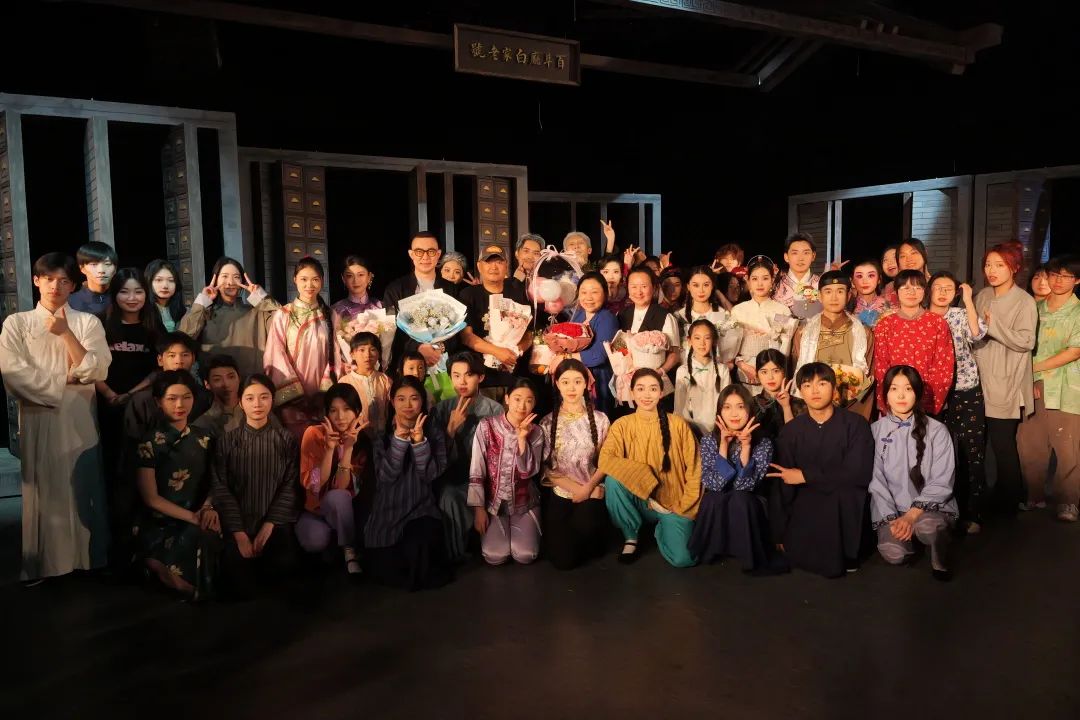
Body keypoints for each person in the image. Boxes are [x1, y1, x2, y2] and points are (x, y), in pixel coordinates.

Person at [0, 252, 112, 583]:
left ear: (73, 285)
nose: (55, 287)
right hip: (39, 416)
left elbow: (97, 369)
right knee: (46, 488)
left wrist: (65, 334)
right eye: (49, 279)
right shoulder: (17, 323)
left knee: (82, 483)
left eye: (64, 281)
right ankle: (44, 564)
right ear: (37, 280)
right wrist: (66, 378)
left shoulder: (87, 322)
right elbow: (13, 373)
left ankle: (87, 560)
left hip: (79, 416)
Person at [768, 362, 874, 578]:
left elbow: (858, 472)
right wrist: (779, 532)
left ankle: (847, 554)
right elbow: (783, 480)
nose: (814, 391)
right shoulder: (791, 431)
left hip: (842, 497)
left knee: (845, 495)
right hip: (806, 500)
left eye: (822, 384)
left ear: (834, 389)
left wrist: (806, 476)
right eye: (807, 385)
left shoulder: (856, 425)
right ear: (800, 391)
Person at [210, 374, 301, 599]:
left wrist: (268, 526)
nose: (257, 404)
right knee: (237, 585)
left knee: (283, 572)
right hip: (237, 523)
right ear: (241, 402)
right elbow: (220, 487)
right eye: (250, 398)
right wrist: (239, 534)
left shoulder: (286, 440)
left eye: (264, 397)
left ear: (273, 399)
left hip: (274, 523)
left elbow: (290, 486)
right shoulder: (227, 441)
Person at [599, 368, 701, 567]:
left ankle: (661, 529)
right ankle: (631, 535)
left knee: (684, 559)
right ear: (632, 392)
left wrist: (684, 505)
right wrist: (644, 477)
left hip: (673, 504)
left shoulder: (678, 424)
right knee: (613, 481)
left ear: (661, 393)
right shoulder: (622, 425)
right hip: (641, 501)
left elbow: (695, 468)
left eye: (653, 389)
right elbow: (605, 459)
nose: (646, 395)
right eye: (640, 389)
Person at [133, 370, 220, 598]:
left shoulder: (206, 437)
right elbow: (151, 498)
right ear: (158, 402)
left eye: (186, 397)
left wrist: (208, 507)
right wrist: (192, 517)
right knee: (192, 535)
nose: (180, 405)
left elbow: (217, 480)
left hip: (200, 511)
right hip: (162, 519)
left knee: (211, 534)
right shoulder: (149, 442)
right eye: (172, 398)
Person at [364, 376, 452, 590]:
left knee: (421, 545)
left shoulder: (434, 433)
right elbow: (386, 477)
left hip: (420, 507)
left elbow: (429, 474)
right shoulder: (381, 437)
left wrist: (419, 442)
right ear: (392, 401)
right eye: (401, 399)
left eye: (414, 398)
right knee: (388, 561)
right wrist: (399, 441)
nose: (408, 405)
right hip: (388, 510)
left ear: (422, 401)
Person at [870, 365, 957, 581]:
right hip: (892, 510)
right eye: (894, 389)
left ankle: (939, 555)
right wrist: (893, 519)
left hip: (929, 508)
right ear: (885, 394)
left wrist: (911, 516)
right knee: (893, 553)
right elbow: (875, 480)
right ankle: (909, 541)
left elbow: (942, 480)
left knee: (928, 527)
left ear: (917, 393)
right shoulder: (875, 431)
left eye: (908, 389)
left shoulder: (937, 430)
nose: (901, 395)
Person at [689, 384, 783, 574]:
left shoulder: (763, 443)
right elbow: (714, 485)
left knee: (740, 498)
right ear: (719, 412)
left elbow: (744, 486)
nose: (734, 413)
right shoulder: (709, 441)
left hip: (749, 501)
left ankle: (746, 553)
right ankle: (714, 549)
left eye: (740, 407)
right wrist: (723, 446)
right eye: (727, 407)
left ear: (750, 411)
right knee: (713, 498)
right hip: (719, 499)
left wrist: (746, 448)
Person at [972, 241, 1038, 514]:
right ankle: (992, 493)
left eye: (1000, 265)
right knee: (982, 443)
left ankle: (1010, 500)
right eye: (988, 264)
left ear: (1014, 268)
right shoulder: (983, 295)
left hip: (1006, 380)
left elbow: (1026, 341)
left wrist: (993, 326)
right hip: (980, 376)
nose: (992, 270)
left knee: (1002, 444)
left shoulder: (1024, 301)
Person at [1018, 255, 1080, 522]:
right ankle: (1034, 495)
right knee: (1029, 443)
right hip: (1033, 385)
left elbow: (1074, 350)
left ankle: (1068, 501)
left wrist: (1035, 368)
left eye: (1066, 276)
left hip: (1066, 387)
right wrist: (1029, 377)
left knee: (1067, 447)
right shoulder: (1035, 308)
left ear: (1077, 281)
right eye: (1054, 274)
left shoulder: (1077, 312)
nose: (1058, 281)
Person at [927, 271, 988, 532]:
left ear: (956, 293)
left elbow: (977, 334)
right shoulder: (923, 317)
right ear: (929, 290)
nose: (942, 293)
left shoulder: (960, 315)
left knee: (970, 451)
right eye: (937, 287)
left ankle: (971, 513)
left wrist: (969, 301)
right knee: (935, 454)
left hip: (964, 389)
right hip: (930, 392)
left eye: (949, 289)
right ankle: (936, 513)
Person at [430, 353, 504, 561]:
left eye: (468, 375)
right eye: (456, 375)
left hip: (486, 479)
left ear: (480, 377)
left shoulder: (494, 410)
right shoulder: (441, 410)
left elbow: (499, 457)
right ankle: (456, 554)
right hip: (454, 477)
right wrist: (450, 430)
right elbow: (434, 458)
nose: (462, 382)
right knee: (448, 494)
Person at [540, 359, 612, 570]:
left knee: (586, 526)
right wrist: (577, 490)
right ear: (557, 384)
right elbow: (547, 468)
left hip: (592, 490)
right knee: (563, 561)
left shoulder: (601, 420)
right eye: (565, 382)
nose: (571, 388)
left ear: (586, 384)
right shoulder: (547, 422)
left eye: (577, 381)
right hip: (562, 491)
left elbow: (606, 461)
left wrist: (589, 488)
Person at [297, 384, 372, 574]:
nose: (340, 417)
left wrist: (348, 448)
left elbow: (341, 487)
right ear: (326, 413)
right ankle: (335, 546)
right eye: (333, 410)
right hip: (316, 511)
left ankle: (349, 551)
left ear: (357, 411)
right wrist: (329, 449)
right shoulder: (313, 434)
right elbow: (314, 484)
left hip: (344, 511)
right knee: (315, 540)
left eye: (347, 409)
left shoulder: (362, 441)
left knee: (338, 496)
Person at [468, 379, 545, 565]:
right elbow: (477, 468)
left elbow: (528, 472)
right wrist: (479, 509)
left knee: (525, 555)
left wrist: (522, 439)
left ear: (534, 403)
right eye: (517, 399)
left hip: (524, 502)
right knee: (494, 556)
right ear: (507, 398)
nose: (522, 406)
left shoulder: (537, 432)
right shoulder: (486, 426)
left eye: (528, 400)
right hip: (493, 503)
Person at [96, 268, 162, 478]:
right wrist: (109, 394)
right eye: (124, 292)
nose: (132, 298)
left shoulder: (153, 323)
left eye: (138, 292)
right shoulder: (100, 323)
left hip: (142, 404)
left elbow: (159, 366)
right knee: (110, 460)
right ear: (114, 294)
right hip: (105, 402)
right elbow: (89, 364)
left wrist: (131, 394)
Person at [264, 257, 336, 438]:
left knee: (321, 444)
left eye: (315, 279)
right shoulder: (283, 315)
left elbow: (336, 356)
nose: (309, 285)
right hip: (291, 399)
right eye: (304, 279)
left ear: (322, 281)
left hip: (321, 395)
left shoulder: (331, 315)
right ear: (294, 279)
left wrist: (324, 392)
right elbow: (275, 355)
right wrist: (294, 394)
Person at [179, 256, 280, 378]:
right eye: (224, 276)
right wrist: (203, 301)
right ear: (215, 280)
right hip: (215, 383)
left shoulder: (257, 313)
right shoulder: (205, 313)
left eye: (236, 277)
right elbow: (183, 337)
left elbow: (284, 322)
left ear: (242, 282)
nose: (230, 282)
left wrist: (260, 297)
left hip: (252, 383)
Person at [792, 271, 874, 419]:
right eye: (828, 291)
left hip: (851, 407)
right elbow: (800, 374)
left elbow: (867, 379)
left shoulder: (863, 332)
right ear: (820, 296)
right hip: (812, 407)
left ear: (848, 295)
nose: (834, 297)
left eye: (840, 291)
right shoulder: (803, 332)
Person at [872, 270, 954, 416]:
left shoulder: (937, 323)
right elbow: (881, 366)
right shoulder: (885, 325)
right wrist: (888, 400)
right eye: (905, 287)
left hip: (928, 399)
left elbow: (944, 366)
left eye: (917, 287)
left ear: (925, 291)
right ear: (896, 292)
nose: (912, 292)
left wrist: (928, 400)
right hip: (894, 400)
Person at [458, 244, 533, 388]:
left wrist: (515, 351)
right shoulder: (468, 295)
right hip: (480, 376)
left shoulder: (518, 292)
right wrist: (498, 352)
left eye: (499, 262)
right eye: (488, 262)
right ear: (479, 266)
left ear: (506, 266)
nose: (494, 267)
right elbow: (467, 337)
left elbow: (529, 334)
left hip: (514, 375)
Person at [382, 231, 459, 371]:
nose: (425, 257)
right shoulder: (395, 289)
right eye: (419, 252)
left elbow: (458, 330)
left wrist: (440, 347)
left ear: (438, 254)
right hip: (408, 367)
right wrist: (418, 347)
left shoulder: (451, 289)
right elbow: (390, 331)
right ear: (411, 254)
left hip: (444, 364)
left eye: (431, 251)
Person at [124, 332, 213, 446]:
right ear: (160, 360)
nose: (179, 361)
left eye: (185, 355)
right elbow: (131, 443)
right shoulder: (142, 400)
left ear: (193, 359)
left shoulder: (204, 397)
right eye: (172, 355)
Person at [731, 256, 794, 394]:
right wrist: (742, 365)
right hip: (745, 373)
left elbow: (785, 346)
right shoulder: (738, 310)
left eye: (765, 278)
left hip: (774, 375)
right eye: (754, 279)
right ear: (748, 281)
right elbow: (731, 348)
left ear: (772, 280)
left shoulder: (782, 310)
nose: (760, 283)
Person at [617, 265, 681, 378]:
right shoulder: (622, 315)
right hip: (626, 378)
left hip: (656, 379)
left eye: (644, 286)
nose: (639, 292)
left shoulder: (665, 316)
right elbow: (618, 347)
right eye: (634, 286)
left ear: (654, 288)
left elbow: (675, 354)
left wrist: (660, 372)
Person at [569, 272, 619, 415]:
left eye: (594, 292)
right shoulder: (578, 315)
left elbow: (598, 356)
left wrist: (565, 357)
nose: (588, 298)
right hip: (576, 380)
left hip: (599, 382)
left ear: (605, 294)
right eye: (583, 292)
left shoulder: (607, 319)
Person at [675, 319, 732, 435]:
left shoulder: (722, 370)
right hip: (690, 428)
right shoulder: (682, 371)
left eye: (707, 338)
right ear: (689, 341)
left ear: (714, 341)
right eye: (697, 338)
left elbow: (727, 401)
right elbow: (679, 404)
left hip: (716, 427)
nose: (702, 343)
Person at [675, 265, 740, 365]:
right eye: (696, 285)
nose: (701, 290)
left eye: (706, 285)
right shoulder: (679, 316)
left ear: (712, 285)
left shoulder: (722, 315)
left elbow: (730, 349)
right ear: (688, 287)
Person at [329, 255, 383, 372]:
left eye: (360, 275)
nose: (355, 281)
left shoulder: (380, 307)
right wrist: (344, 366)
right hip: (347, 371)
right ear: (343, 279)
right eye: (349, 276)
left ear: (369, 277)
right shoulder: (336, 310)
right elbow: (332, 347)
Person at [338, 331, 392, 441]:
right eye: (362, 350)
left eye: (372, 350)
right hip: (356, 439)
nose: (367, 355)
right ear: (352, 354)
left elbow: (391, 409)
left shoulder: (385, 380)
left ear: (379, 354)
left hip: (383, 437)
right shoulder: (344, 383)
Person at [753, 349, 805, 439]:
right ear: (757, 374)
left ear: (784, 372)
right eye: (764, 372)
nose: (770, 377)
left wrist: (786, 407)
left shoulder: (800, 405)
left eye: (776, 371)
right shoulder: (750, 404)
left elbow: (798, 439)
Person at [773, 232, 822, 319]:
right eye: (795, 253)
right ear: (786, 257)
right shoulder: (775, 286)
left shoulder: (822, 285)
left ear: (813, 256)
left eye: (806, 253)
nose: (800, 258)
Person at [194, 354, 245, 437]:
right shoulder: (204, 422)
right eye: (217, 379)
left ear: (239, 378)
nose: (226, 384)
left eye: (231, 377)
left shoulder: (255, 409)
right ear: (207, 384)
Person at [68, 240, 117, 320]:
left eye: (107, 264)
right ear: (82, 268)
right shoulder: (70, 302)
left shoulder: (122, 298)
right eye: (94, 264)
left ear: (115, 269)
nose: (101, 270)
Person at [145, 258, 186, 332]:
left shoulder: (180, 309)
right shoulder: (144, 310)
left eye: (171, 280)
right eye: (159, 280)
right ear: (149, 282)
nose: (165, 286)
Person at [885, 239, 932, 304]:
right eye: (903, 256)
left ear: (925, 253)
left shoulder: (935, 283)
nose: (909, 259)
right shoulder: (891, 287)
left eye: (913, 253)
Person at [850, 259, 893, 329]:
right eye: (859, 276)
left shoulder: (889, 305)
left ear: (879, 279)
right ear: (852, 282)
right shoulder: (848, 306)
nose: (865, 281)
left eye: (871, 275)